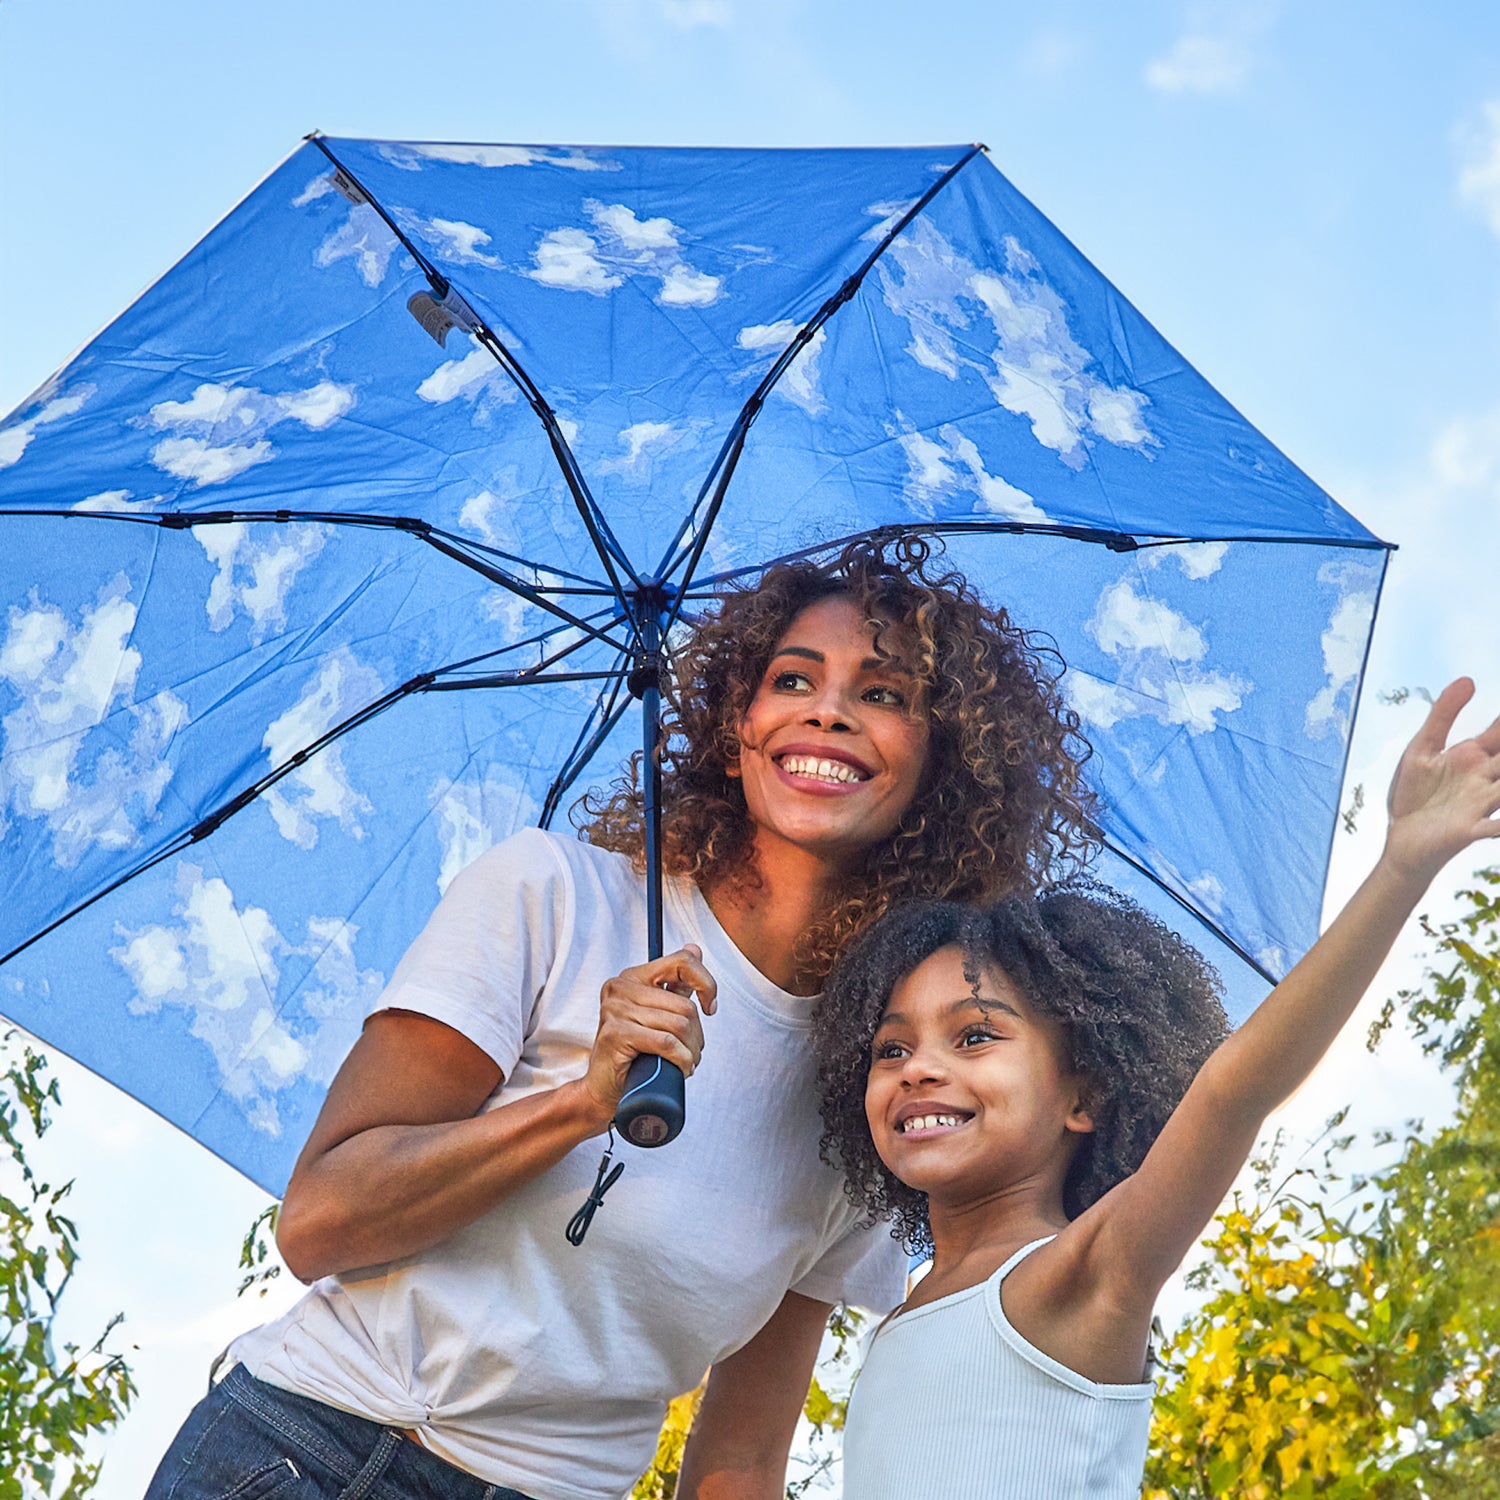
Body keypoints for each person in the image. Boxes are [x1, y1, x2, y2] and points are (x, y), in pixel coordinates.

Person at [144, 537, 1094, 1500]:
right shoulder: (551, 893)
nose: (829, 709)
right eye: (792, 678)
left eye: (884, 694)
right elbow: (317, 1225)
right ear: (737, 727)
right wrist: (577, 1102)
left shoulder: (881, 1075)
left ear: (947, 764)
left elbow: (743, 1458)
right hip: (308, 1451)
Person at [812, 679, 1500, 1500]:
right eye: (891, 1048)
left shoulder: (1081, 1276)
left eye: (976, 1035)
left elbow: (1230, 1091)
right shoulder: (896, 1320)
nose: (918, 1067)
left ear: (1086, 1097)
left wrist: (1401, 863)